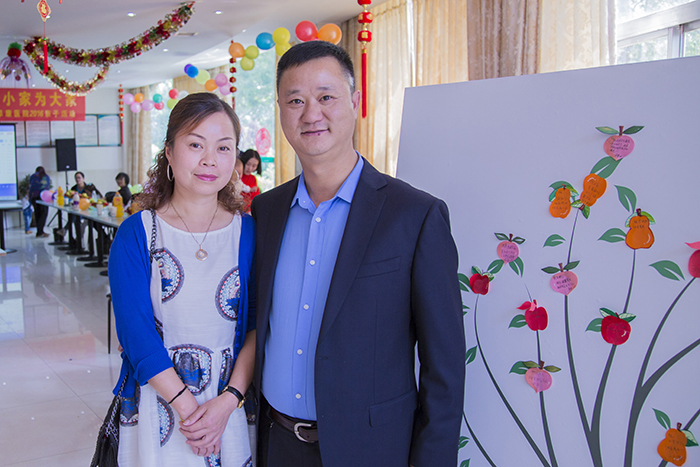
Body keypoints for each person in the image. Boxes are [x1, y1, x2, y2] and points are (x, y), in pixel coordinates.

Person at [251, 41, 465, 467]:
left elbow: (444, 367)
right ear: (281, 111)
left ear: (355, 102)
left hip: (372, 450)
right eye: (295, 101)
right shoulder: (266, 210)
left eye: (325, 97)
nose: (311, 114)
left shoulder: (415, 215)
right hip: (276, 444)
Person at [108, 92, 255, 467]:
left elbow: (257, 326)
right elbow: (136, 335)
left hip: (230, 406)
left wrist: (227, 403)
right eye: (195, 144)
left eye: (224, 147)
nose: (210, 159)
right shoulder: (137, 234)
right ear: (170, 153)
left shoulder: (249, 233)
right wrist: (192, 415)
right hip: (160, 405)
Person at [28, 166, 51, 238]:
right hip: (43, 197)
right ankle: (40, 232)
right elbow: (47, 187)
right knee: (43, 214)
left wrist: (30, 199)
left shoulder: (32, 176)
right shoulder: (46, 177)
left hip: (34, 197)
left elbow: (30, 187)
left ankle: (39, 232)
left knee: (37, 214)